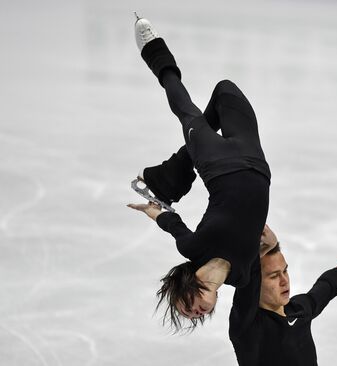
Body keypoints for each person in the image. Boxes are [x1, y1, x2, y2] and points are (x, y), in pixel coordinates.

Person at [127, 14, 272, 332]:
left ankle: (153, 49)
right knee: (226, 91)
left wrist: (150, 206)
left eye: (187, 307)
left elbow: (170, 222)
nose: (196, 311)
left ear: (185, 285)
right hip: (255, 162)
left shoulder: (192, 249)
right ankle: (177, 167)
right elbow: (248, 324)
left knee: (188, 108)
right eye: (197, 316)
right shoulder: (243, 277)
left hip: (217, 165)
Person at [230, 226, 337, 365]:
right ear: (255, 282)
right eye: (274, 276)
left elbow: (327, 286)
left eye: (285, 271)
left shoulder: (298, 309)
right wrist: (266, 246)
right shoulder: (248, 325)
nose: (284, 281)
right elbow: (245, 284)